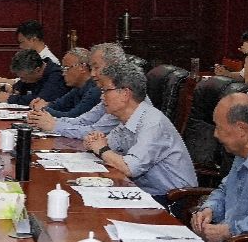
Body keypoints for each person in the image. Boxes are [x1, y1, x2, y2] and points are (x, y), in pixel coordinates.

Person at [83, 61, 196, 196]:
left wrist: (101, 148)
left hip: (173, 198)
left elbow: (130, 168)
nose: (102, 97)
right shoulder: (127, 121)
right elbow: (106, 146)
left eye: (105, 90)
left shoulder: (153, 123)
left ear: (125, 94)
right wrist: (93, 141)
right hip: (145, 192)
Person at [191, 93, 248, 242]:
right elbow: (225, 190)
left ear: (241, 129)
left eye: (219, 127)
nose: (215, 134)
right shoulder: (243, 151)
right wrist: (209, 209)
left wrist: (227, 231)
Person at [35, 42, 124, 138]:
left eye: (96, 67)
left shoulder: (103, 92)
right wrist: (48, 120)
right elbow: (83, 120)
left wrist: (53, 124)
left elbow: (94, 131)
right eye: (92, 68)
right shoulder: (87, 88)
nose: (92, 73)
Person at [0, 20, 60, 89]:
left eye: (22, 42)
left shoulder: (50, 61)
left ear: (33, 39)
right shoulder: (32, 57)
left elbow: (30, 86)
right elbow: (22, 81)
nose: (20, 46)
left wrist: (1, 86)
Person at [27, 47, 99, 120]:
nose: (63, 74)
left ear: (82, 68)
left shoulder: (95, 90)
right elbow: (58, 105)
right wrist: (44, 104)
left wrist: (43, 108)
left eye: (66, 68)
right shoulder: (77, 88)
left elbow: (73, 117)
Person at [0, 49, 66, 106]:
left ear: (37, 70)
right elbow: (19, 88)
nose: (22, 80)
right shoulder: (33, 72)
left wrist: (10, 99)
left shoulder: (57, 76)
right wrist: (8, 89)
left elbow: (39, 100)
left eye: (23, 78)